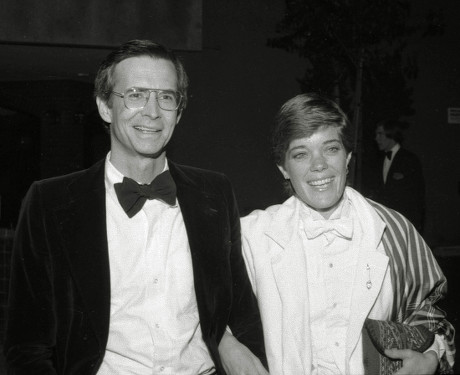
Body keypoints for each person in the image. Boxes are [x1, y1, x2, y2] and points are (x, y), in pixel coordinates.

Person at [4, 40, 267, 375]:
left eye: (166, 97)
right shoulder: (50, 202)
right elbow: (26, 346)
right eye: (136, 94)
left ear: (179, 112)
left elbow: (240, 312)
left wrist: (238, 348)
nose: (152, 112)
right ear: (104, 106)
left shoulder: (213, 193)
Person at [241, 93, 455, 374]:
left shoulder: (395, 230)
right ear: (283, 168)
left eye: (330, 149)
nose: (319, 165)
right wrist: (229, 346)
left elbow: (430, 312)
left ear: (348, 157)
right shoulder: (253, 236)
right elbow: (204, 311)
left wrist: (430, 356)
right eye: (301, 154)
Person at [370, 120, 425, 233]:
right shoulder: (378, 161)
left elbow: (417, 197)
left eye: (380, 134)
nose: (376, 138)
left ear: (391, 134)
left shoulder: (409, 160)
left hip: (404, 224)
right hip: (385, 223)